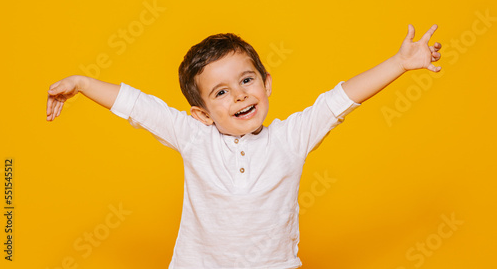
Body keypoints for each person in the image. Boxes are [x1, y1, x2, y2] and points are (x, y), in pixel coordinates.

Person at [46, 24, 442, 268]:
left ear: (266, 84)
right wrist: (82, 83)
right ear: (201, 113)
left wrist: (399, 63)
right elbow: (139, 106)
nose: (238, 95)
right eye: (220, 92)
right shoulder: (194, 137)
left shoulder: (290, 137)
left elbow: (339, 101)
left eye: (246, 80)